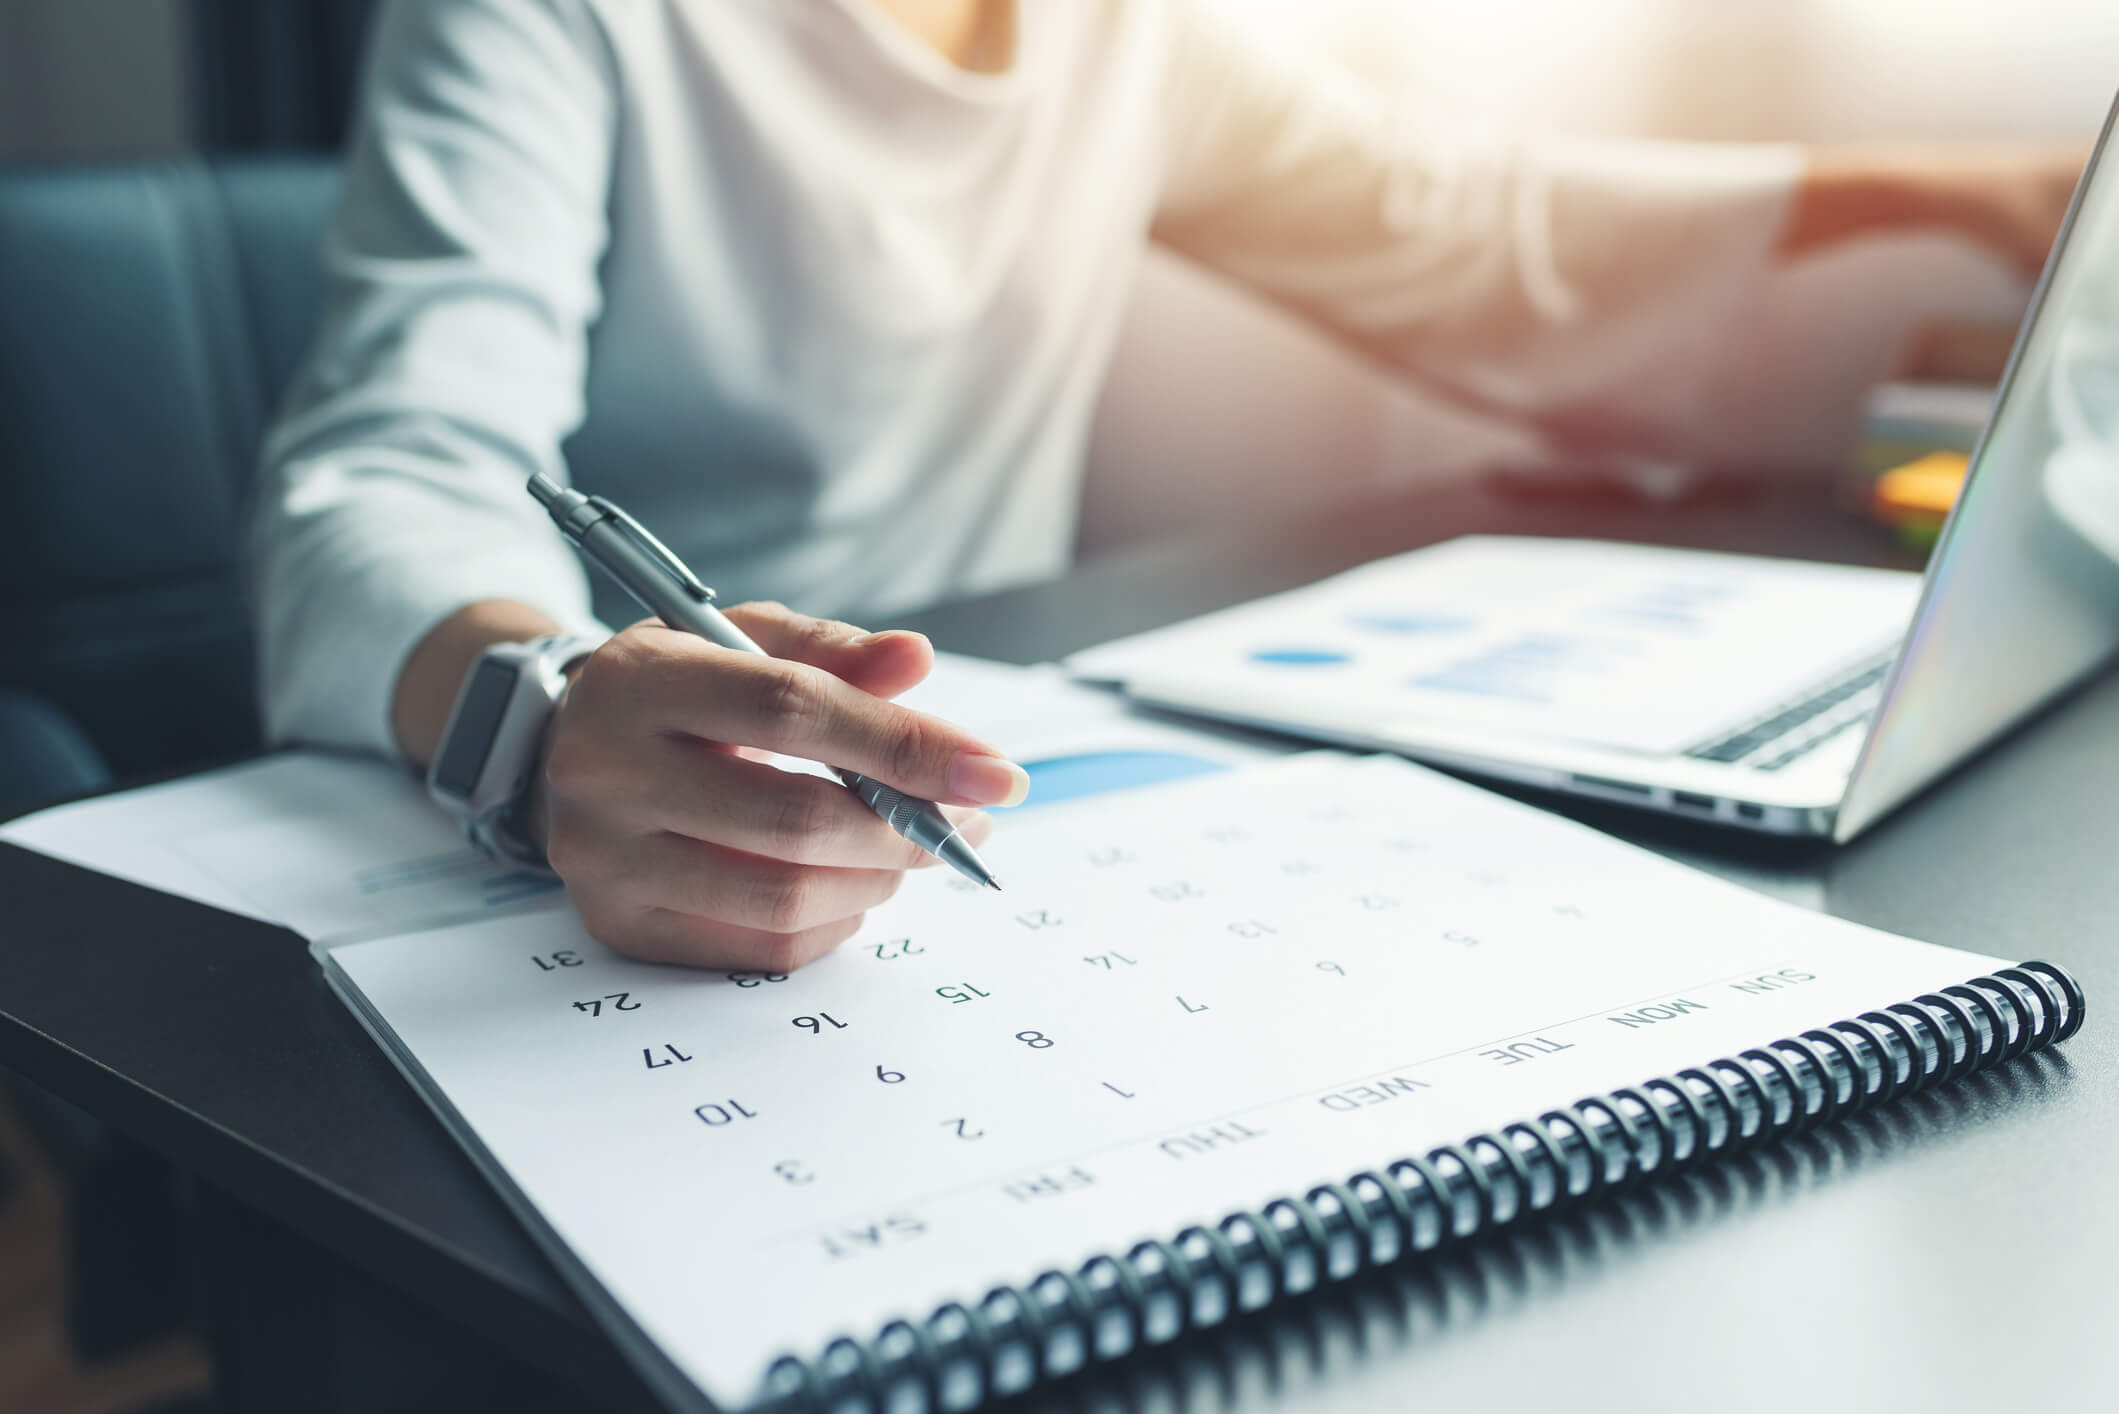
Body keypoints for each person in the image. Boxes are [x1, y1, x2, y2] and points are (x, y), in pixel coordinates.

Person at [250, 0, 2083, 973]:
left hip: (993, 762)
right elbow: (389, 470)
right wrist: (548, 705)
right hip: (624, 825)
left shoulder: (1120, 26)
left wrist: (1974, 197)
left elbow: (1484, 236)